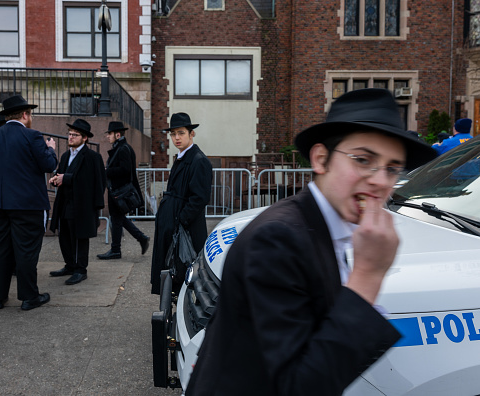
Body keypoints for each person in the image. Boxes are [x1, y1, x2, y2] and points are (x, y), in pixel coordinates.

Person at [185, 89, 437, 396]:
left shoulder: (330, 225)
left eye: (392, 168)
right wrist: (368, 277)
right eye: (363, 159)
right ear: (321, 159)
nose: (381, 180)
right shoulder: (277, 239)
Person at [0, 95, 58, 311]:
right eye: (30, 114)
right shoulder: (33, 136)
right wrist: (51, 148)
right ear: (25, 115)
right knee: (26, 250)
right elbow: (48, 164)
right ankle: (29, 297)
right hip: (26, 205)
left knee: (0, 249)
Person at [150, 112, 212, 295]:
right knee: (172, 269)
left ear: (191, 134)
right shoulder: (183, 157)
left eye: (181, 133)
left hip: (186, 229)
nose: (176, 138)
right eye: (173, 134)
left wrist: (180, 220)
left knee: (185, 272)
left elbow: (199, 198)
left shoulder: (198, 160)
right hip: (174, 224)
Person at [49, 119, 106, 285]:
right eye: (69, 134)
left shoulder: (92, 157)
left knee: (80, 238)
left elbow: (96, 181)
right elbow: (61, 174)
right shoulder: (66, 156)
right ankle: (70, 265)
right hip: (65, 203)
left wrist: (66, 178)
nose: (71, 137)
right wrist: (55, 179)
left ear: (85, 138)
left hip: (82, 205)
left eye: (75, 135)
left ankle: (81, 269)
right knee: (64, 236)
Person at [97, 121, 150, 260]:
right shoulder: (120, 147)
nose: (108, 136)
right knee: (118, 218)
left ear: (117, 134)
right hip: (117, 191)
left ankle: (116, 250)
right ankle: (141, 238)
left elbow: (125, 170)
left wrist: (107, 171)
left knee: (117, 218)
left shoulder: (123, 149)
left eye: (110, 134)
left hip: (119, 192)